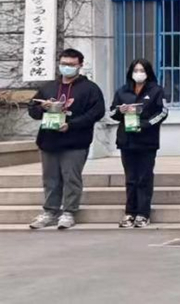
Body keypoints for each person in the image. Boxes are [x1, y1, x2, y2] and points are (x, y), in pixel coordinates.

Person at [27, 48, 106, 230]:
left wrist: (71, 124)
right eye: (63, 64)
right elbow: (33, 109)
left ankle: (69, 211)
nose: (67, 67)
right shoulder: (48, 87)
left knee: (71, 177)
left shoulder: (90, 89)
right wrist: (43, 108)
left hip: (75, 141)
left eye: (71, 64)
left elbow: (96, 112)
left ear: (80, 65)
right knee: (50, 178)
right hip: (49, 140)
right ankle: (50, 211)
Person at [109, 58, 168, 228]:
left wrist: (145, 124)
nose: (139, 74)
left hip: (147, 141)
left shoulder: (156, 90)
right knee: (131, 178)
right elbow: (112, 112)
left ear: (148, 73)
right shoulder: (122, 91)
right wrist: (120, 111)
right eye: (136, 70)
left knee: (144, 178)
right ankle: (130, 212)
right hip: (126, 140)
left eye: (142, 70)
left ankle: (143, 213)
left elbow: (163, 112)